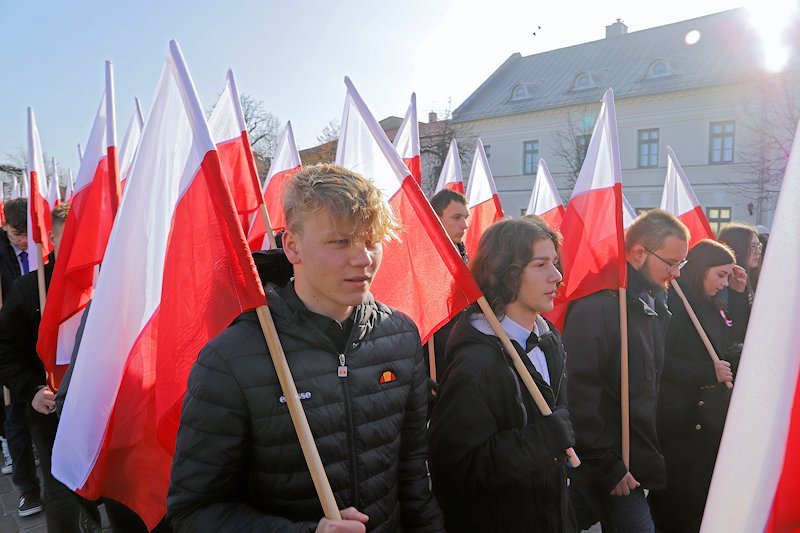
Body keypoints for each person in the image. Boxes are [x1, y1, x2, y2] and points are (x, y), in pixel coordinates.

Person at [168, 164, 444, 532]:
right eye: (340, 242)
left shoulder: (399, 334)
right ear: (293, 246)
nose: (363, 259)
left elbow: (412, 471)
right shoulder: (232, 358)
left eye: (371, 241)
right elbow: (193, 511)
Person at [428, 216, 576, 532]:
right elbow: (456, 472)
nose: (557, 276)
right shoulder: (475, 365)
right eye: (540, 265)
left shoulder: (549, 338)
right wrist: (542, 439)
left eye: (554, 262)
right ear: (507, 274)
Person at [562, 209, 689, 533]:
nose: (676, 274)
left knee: (563, 517)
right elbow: (581, 391)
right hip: (608, 461)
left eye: (680, 264)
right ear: (637, 253)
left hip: (629, 454)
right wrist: (606, 464)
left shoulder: (653, 304)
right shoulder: (598, 307)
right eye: (670, 263)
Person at [0, 202, 101, 532]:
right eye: (70, 236)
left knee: (123, 490)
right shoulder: (31, 289)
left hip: (109, 408)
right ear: (53, 239)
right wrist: (31, 390)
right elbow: (7, 352)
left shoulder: (116, 281)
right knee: (63, 494)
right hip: (52, 412)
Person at [648, 239, 748, 532]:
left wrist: (740, 297)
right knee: (678, 501)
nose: (724, 283)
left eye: (729, 276)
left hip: (708, 420)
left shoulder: (714, 303)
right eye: (720, 275)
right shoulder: (676, 304)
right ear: (700, 270)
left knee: (702, 500)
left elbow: (729, 343)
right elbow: (662, 361)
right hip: (681, 422)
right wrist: (707, 372)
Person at [0, 197, 43, 517]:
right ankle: (28, 489)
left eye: (29, 232)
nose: (25, 241)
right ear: (5, 228)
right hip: (12, 342)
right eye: (17, 234)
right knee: (16, 417)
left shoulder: (46, 246)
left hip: (45, 337)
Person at [717, 222, 761, 341]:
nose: (758, 252)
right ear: (737, 247)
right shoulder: (722, 284)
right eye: (752, 247)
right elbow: (735, 330)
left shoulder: (749, 277)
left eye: (758, 246)